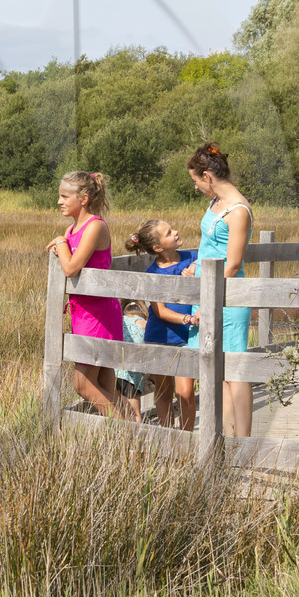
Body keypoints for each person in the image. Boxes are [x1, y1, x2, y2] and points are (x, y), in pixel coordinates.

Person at [45, 171, 134, 421]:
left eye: (65, 196)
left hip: (99, 314)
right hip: (82, 312)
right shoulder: (72, 227)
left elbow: (72, 267)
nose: (59, 201)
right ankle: (133, 423)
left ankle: (126, 433)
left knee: (83, 384)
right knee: (105, 383)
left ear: (83, 198)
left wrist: (61, 244)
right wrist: (64, 240)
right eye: (59, 196)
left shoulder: (94, 226)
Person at [180, 143, 256, 437]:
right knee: (218, 372)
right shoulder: (214, 204)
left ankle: (243, 440)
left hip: (228, 296)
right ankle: (227, 437)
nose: (196, 187)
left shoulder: (239, 211)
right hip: (205, 290)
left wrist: (207, 304)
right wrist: (194, 266)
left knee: (235, 369)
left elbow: (233, 264)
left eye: (196, 181)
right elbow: (210, 248)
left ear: (207, 177)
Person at [126, 218, 197, 429]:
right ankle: (167, 436)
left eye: (172, 228)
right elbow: (160, 311)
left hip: (188, 338)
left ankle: (186, 438)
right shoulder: (153, 273)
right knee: (164, 391)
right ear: (158, 247)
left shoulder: (192, 258)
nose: (175, 232)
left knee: (185, 393)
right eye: (168, 233)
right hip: (160, 336)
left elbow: (210, 261)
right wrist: (188, 319)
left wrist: (195, 268)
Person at [115, 299, 149, 419]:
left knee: (118, 410)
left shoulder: (119, 320)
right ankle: (134, 436)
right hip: (132, 376)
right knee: (135, 415)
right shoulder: (144, 324)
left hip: (114, 371)